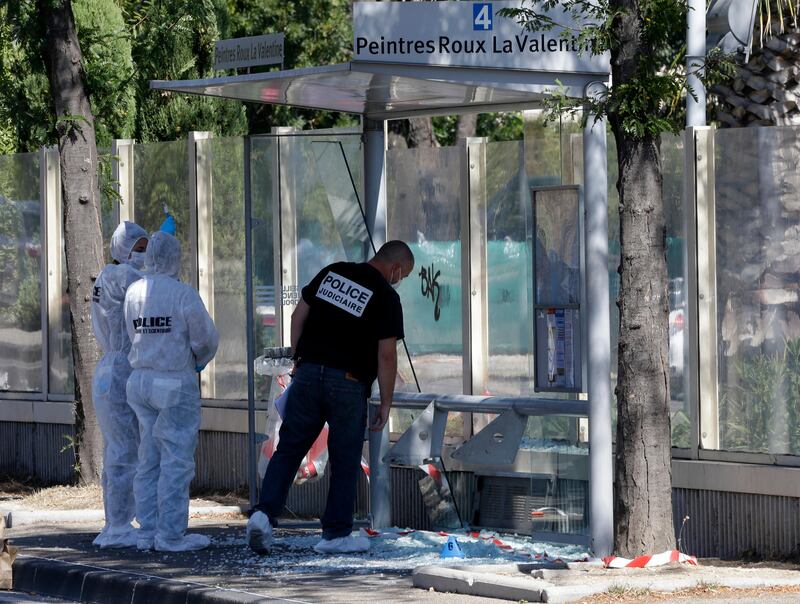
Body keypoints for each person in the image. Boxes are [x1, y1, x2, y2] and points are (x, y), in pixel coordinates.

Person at [247, 240, 415, 555]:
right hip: (348, 383)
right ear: (394, 268)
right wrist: (387, 402)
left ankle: (262, 515)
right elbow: (387, 356)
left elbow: (298, 316)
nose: (398, 281)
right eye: (401, 275)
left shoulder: (333, 272)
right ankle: (336, 534)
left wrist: (298, 361)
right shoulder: (386, 297)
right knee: (344, 459)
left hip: (309, 374)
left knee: (289, 450)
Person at [124, 231, 219, 552]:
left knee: (148, 458)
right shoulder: (183, 295)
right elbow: (205, 339)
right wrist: (196, 362)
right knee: (176, 460)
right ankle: (170, 535)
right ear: (176, 258)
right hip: (173, 384)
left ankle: (146, 530)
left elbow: (130, 334)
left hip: (139, 383)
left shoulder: (134, 292)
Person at [90, 221, 149, 548]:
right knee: (126, 452)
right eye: (140, 249)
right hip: (121, 372)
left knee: (119, 451)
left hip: (109, 370)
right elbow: (152, 291)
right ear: (124, 249)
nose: (145, 255)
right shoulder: (125, 277)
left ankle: (116, 520)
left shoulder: (105, 275)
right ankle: (119, 524)